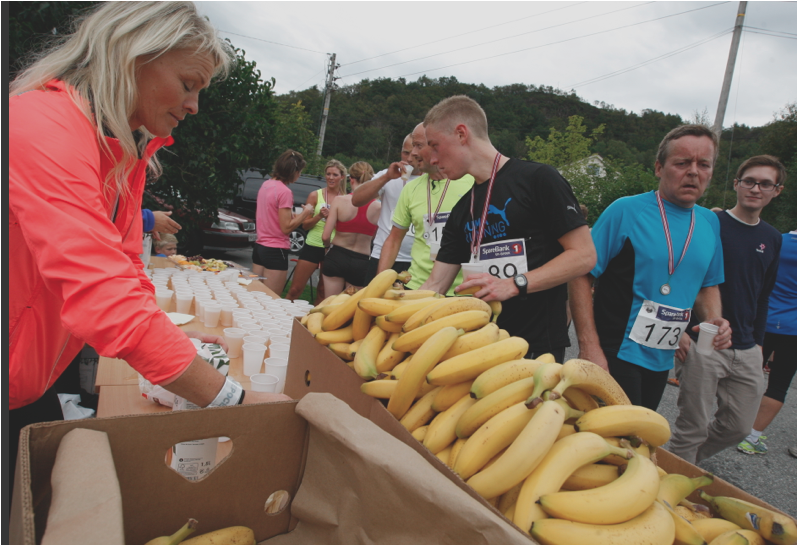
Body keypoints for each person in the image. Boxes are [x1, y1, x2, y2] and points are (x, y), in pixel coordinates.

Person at [8, 1, 289, 491]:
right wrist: (232, 402)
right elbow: (103, 295)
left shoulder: (122, 151)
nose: (194, 106)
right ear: (133, 56)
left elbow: (123, 265)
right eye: (188, 84)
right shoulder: (42, 126)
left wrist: (175, 341)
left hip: (27, 382)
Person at [419, 96, 596, 362]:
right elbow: (436, 283)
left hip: (535, 348)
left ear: (461, 133)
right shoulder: (462, 209)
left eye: (434, 146)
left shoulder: (538, 179)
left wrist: (515, 284)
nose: (431, 159)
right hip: (478, 342)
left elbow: (584, 256)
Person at [568, 124, 731, 410]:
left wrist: (715, 318)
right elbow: (580, 272)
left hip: (662, 357)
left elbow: (708, 284)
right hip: (616, 351)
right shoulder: (625, 211)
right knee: (610, 441)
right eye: (682, 163)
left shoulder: (710, 222)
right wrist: (589, 346)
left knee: (637, 440)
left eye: (703, 164)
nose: (693, 171)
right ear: (659, 168)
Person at [669, 155, 784, 464]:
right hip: (703, 340)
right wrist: (677, 329)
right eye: (749, 181)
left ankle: (682, 463)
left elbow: (763, 296)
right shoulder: (709, 222)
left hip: (746, 347)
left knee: (740, 427)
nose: (755, 189)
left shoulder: (773, 238)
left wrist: (759, 345)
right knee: (691, 426)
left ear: (777, 190)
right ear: (736, 184)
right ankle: (674, 480)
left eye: (765, 183)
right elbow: (678, 274)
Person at [378, 122, 474, 294]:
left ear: (437, 145)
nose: (412, 154)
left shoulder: (472, 182)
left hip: (463, 291)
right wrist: (378, 285)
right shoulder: (410, 188)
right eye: (412, 146)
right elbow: (393, 240)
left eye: (418, 146)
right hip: (416, 287)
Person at [737, 227, 795, 456]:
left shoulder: (778, 240)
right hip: (793, 328)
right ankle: (751, 438)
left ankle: (730, 426)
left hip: (763, 319)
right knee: (779, 383)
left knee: (746, 374)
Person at [352, 134, 420, 284]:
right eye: (405, 152)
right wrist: (387, 177)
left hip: (415, 259)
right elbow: (356, 199)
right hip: (382, 254)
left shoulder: (433, 179)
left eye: (413, 154)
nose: (409, 159)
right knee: (371, 303)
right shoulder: (388, 174)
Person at [252, 150, 314, 295]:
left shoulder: (266, 185)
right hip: (275, 250)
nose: (299, 175)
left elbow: (271, 214)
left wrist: (291, 216)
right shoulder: (285, 192)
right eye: (299, 172)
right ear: (293, 171)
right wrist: (305, 212)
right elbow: (286, 228)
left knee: (254, 298)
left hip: (259, 247)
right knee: (271, 302)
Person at [285, 159, 347, 302]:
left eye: (335, 175)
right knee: (295, 289)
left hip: (333, 248)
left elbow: (347, 230)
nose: (331, 178)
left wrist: (334, 220)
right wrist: (319, 216)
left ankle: (313, 322)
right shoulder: (315, 195)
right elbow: (305, 225)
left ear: (342, 177)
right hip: (312, 244)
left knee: (323, 291)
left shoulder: (346, 198)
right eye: (328, 174)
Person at [321, 162, 381, 294]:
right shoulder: (378, 208)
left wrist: (327, 247)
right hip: (361, 261)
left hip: (337, 255)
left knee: (329, 306)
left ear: (351, 179)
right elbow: (376, 237)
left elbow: (325, 236)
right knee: (349, 309)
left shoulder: (339, 201)